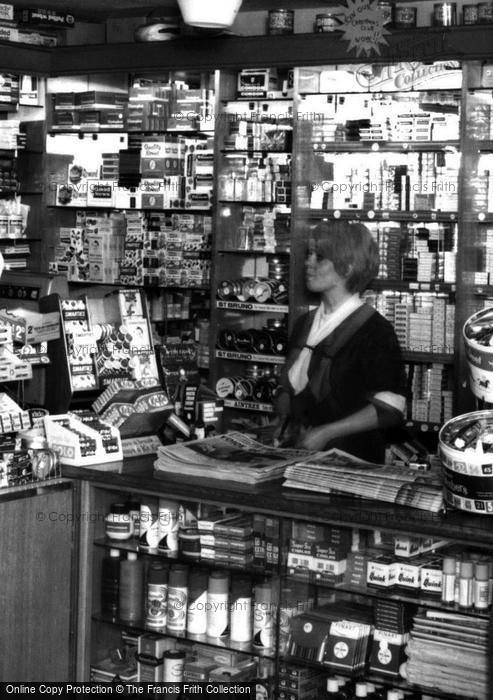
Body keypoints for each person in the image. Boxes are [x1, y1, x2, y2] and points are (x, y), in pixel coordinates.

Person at [275, 220, 407, 463]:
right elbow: (293, 386)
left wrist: (326, 432)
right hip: (299, 458)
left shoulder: (375, 331)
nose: (308, 263)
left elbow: (391, 410)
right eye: (309, 254)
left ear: (347, 267)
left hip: (351, 461)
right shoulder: (305, 323)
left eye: (320, 257)